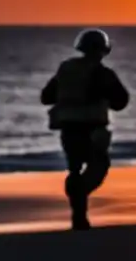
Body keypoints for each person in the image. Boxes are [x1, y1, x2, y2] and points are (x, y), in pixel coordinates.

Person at [40, 29, 130, 230]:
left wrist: (69, 94)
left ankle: (78, 215)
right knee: (99, 165)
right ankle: (79, 202)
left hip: (68, 128)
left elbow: (46, 97)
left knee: (74, 169)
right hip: (92, 129)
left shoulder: (65, 69)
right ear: (103, 51)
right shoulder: (103, 74)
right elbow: (121, 102)